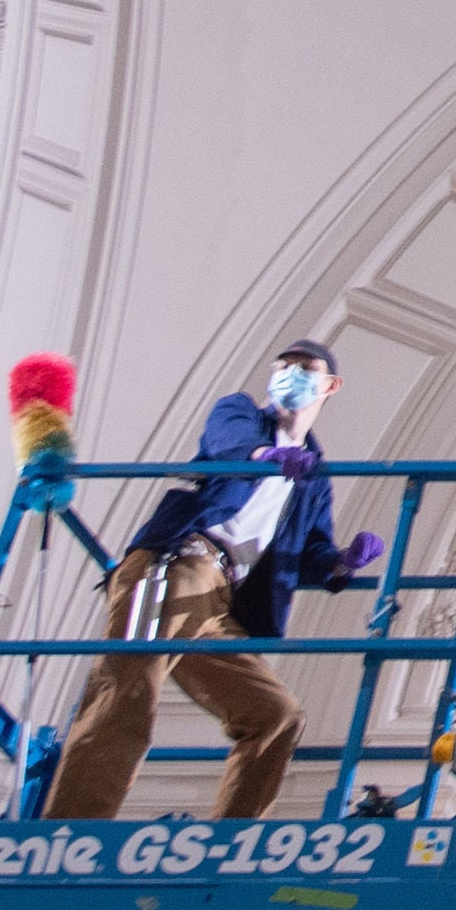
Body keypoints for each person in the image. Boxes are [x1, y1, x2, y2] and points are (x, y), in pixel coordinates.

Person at [41, 339, 383, 820]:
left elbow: (309, 550)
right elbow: (228, 445)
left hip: (221, 602)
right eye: (282, 365)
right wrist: (265, 457)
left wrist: (344, 561)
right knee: (128, 684)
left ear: (331, 385)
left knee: (275, 716)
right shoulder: (242, 413)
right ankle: (69, 834)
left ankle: (228, 843)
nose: (291, 374)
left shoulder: (314, 475)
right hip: (177, 567)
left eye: (305, 368)